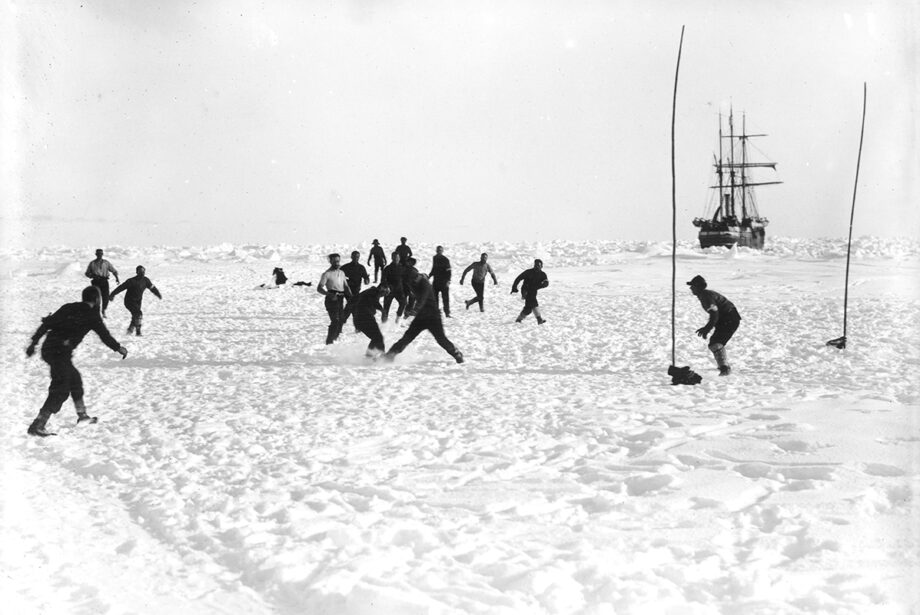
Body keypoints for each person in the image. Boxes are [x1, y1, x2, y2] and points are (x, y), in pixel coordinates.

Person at [25, 286, 128, 436]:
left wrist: (33, 343)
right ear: (96, 299)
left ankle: (82, 416)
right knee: (61, 388)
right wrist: (118, 348)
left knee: (75, 380)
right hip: (59, 352)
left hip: (50, 349)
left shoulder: (68, 307)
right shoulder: (92, 315)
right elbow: (104, 335)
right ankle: (38, 424)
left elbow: (47, 323)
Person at [384, 272, 464, 364]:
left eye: (412, 280)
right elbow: (412, 297)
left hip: (433, 317)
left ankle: (456, 353)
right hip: (421, 317)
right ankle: (390, 355)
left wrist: (414, 310)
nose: (410, 282)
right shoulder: (413, 283)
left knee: (441, 339)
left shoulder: (425, 284)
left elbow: (422, 299)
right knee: (407, 337)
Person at [687, 275, 741, 376]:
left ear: (698, 287)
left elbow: (714, 314)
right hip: (726, 319)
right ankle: (724, 367)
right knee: (715, 343)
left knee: (716, 343)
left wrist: (707, 328)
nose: (690, 288)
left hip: (730, 319)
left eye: (693, 286)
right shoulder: (705, 294)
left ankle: (725, 369)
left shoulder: (706, 296)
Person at [109, 266, 163, 336]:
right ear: (137, 272)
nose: (142, 273)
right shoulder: (131, 281)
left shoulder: (146, 280)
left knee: (136, 315)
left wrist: (158, 294)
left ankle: (130, 330)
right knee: (138, 314)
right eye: (140, 271)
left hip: (138, 301)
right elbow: (120, 288)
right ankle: (138, 332)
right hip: (129, 301)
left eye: (143, 272)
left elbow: (152, 288)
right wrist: (112, 294)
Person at [317, 253, 353, 344]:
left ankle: (335, 338)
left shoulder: (341, 273)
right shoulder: (326, 274)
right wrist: (328, 294)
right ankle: (329, 342)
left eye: (338, 261)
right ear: (331, 261)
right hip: (331, 298)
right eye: (335, 261)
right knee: (335, 321)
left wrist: (352, 298)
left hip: (341, 298)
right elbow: (319, 288)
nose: (337, 263)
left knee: (341, 319)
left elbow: (346, 286)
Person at [352, 284, 389, 357]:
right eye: (385, 293)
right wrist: (382, 310)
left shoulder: (370, 292)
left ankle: (370, 355)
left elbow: (353, 302)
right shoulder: (373, 292)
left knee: (376, 337)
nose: (383, 296)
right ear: (381, 289)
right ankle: (381, 355)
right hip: (365, 318)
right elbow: (374, 301)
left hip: (363, 318)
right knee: (378, 337)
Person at [511, 259, 548, 324]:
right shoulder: (528, 272)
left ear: (541, 266)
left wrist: (544, 284)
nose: (536, 267)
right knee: (532, 303)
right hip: (526, 290)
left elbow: (546, 281)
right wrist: (514, 288)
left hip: (533, 291)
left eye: (538, 265)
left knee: (529, 308)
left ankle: (519, 320)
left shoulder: (542, 274)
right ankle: (539, 319)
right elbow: (518, 278)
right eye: (535, 265)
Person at [85, 248, 120, 317]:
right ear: (96, 254)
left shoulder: (106, 263)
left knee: (106, 297)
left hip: (104, 281)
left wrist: (117, 278)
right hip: (96, 282)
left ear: (102, 254)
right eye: (98, 254)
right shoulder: (92, 263)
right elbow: (87, 273)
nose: (99, 255)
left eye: (101, 254)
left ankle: (103, 309)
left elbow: (114, 271)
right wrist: (92, 275)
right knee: (95, 298)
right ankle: (96, 312)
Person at [341, 250, 370, 323]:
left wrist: (367, 280)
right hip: (347, 290)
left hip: (356, 290)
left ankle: (342, 322)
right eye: (354, 256)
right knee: (352, 305)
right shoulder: (345, 267)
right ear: (351, 257)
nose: (356, 258)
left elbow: (366, 279)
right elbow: (338, 276)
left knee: (353, 306)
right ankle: (344, 322)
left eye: (357, 257)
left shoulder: (361, 268)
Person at [381, 251, 406, 323]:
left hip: (399, 290)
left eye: (397, 257)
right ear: (392, 258)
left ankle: (398, 318)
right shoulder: (387, 268)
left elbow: (405, 279)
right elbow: (383, 280)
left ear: (399, 258)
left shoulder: (402, 268)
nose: (396, 259)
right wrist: (386, 287)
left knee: (403, 302)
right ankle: (383, 323)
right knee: (386, 308)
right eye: (394, 257)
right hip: (389, 291)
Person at [428, 245, 452, 317]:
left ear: (442, 251)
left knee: (445, 298)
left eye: (440, 250)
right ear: (436, 251)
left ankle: (447, 313)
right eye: (438, 250)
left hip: (444, 282)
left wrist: (448, 281)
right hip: (436, 281)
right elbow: (434, 268)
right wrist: (429, 276)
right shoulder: (434, 258)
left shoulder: (445, 259)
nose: (439, 252)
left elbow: (449, 271)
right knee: (435, 298)